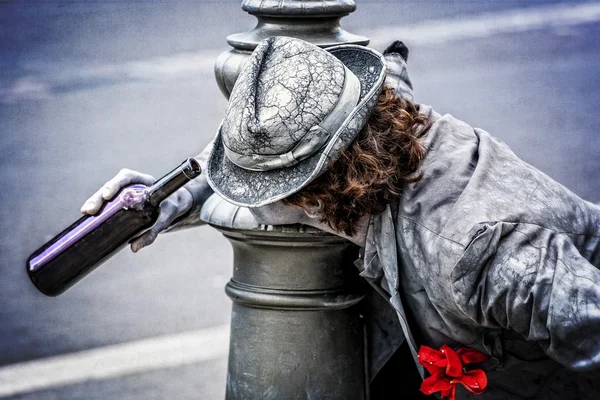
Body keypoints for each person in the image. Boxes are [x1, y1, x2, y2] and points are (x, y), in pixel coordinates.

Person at [82, 36, 600, 399]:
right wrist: (166, 197)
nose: (263, 205)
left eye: (278, 191)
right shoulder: (385, 124)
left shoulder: (486, 252)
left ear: (327, 194)